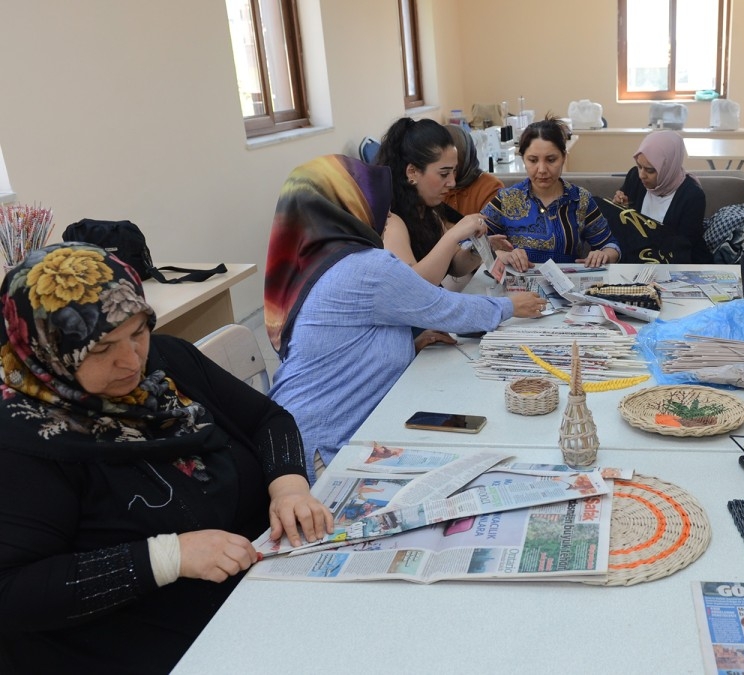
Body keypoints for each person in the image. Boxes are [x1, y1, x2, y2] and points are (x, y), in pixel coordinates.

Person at [0, 243, 333, 672]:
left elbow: (268, 418)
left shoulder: (168, 362)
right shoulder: (24, 440)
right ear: (47, 349)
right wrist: (168, 557)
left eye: (138, 331)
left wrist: (288, 485)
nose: (131, 361)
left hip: (260, 596)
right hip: (155, 644)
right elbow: (13, 593)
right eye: (100, 350)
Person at [264, 154, 544, 482]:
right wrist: (511, 306)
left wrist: (406, 341)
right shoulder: (367, 267)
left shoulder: (314, 263)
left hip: (293, 433)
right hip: (321, 451)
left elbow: (345, 335)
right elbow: (446, 308)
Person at [482, 116, 619, 272]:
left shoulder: (580, 199)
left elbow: (611, 245)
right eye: (533, 160)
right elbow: (470, 244)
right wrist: (501, 254)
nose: (542, 169)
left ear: (563, 158)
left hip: (569, 289)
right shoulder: (506, 199)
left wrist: (603, 255)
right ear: (523, 160)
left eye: (551, 160)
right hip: (517, 291)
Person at [374, 117, 489, 285]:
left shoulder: (427, 209)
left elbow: (454, 265)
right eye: (444, 174)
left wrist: (479, 249)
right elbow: (413, 287)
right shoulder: (391, 221)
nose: (452, 182)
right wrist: (453, 235)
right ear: (412, 172)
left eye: (454, 172)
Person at [611, 130, 710, 263]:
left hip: (677, 263)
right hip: (637, 259)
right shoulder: (635, 178)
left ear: (668, 167)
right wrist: (620, 207)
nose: (642, 175)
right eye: (639, 166)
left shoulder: (692, 196)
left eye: (650, 170)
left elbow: (683, 245)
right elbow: (622, 225)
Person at [442, 123, 504, 219]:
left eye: (454, 169)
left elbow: (487, 231)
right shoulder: (433, 187)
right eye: (443, 172)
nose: (451, 182)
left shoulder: (490, 188)